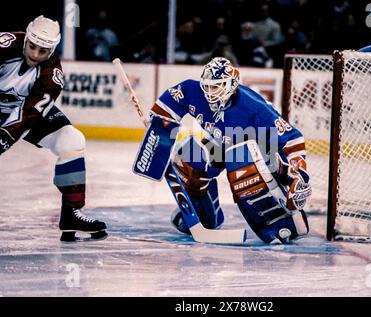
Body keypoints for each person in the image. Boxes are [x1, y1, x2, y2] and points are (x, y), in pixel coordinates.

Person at [142, 57, 311, 244]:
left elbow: (292, 138)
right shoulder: (192, 90)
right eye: (207, 86)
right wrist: (157, 125)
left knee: (243, 169)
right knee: (189, 160)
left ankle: (284, 224)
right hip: (218, 143)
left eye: (216, 87)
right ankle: (206, 218)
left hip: (256, 152)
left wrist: (299, 174)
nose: (209, 92)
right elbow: (164, 109)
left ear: (232, 83)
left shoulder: (254, 108)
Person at [0, 16, 107, 241]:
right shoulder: (5, 44)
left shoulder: (53, 76)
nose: (35, 55)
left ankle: (71, 214)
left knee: (71, 139)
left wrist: (4, 137)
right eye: (32, 46)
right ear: (26, 38)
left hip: (20, 112)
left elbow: (29, 113)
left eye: (43, 50)